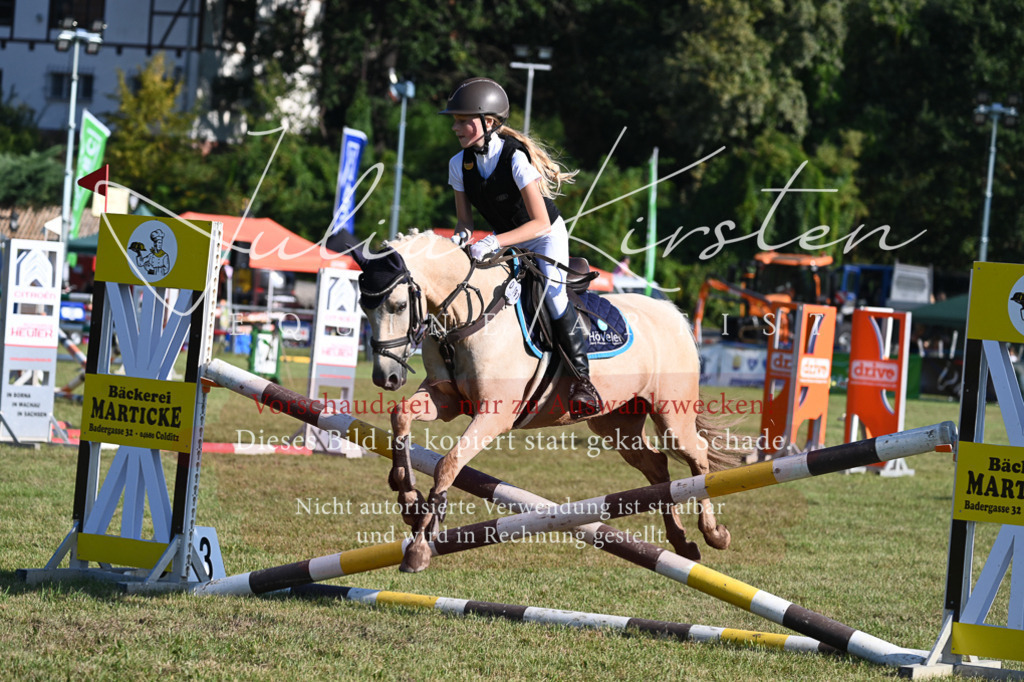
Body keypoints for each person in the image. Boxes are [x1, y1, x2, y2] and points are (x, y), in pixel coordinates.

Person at [439, 76, 601, 417]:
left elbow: (540, 222)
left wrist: (494, 241)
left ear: (489, 122)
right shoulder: (459, 164)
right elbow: (465, 223)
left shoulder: (515, 158)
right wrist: (458, 242)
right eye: (455, 120)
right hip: (508, 239)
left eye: (463, 120)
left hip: (544, 235)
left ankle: (583, 382)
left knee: (552, 294)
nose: (455, 127)